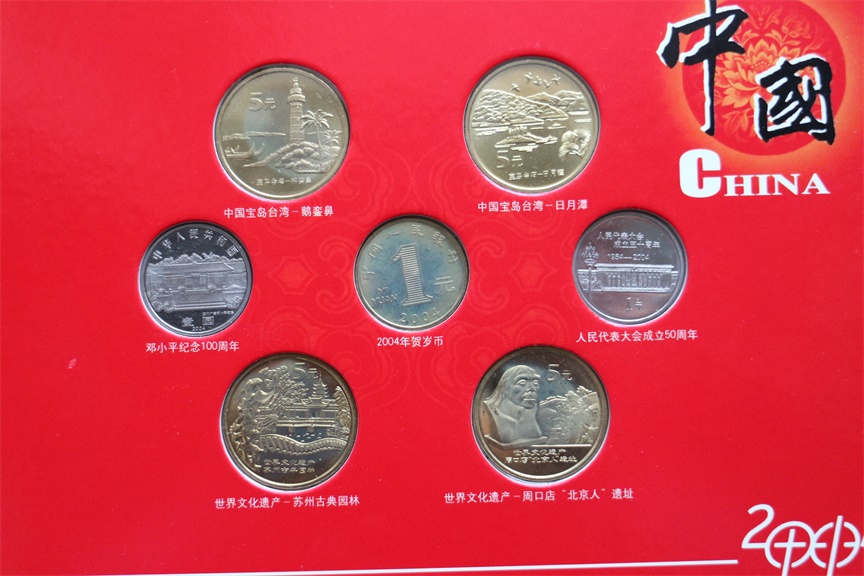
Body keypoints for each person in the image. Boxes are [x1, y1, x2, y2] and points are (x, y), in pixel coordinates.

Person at [482, 365, 546, 446]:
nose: (532, 388)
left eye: (535, 383)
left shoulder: (532, 409)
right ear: (506, 387)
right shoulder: (493, 408)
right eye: (522, 383)